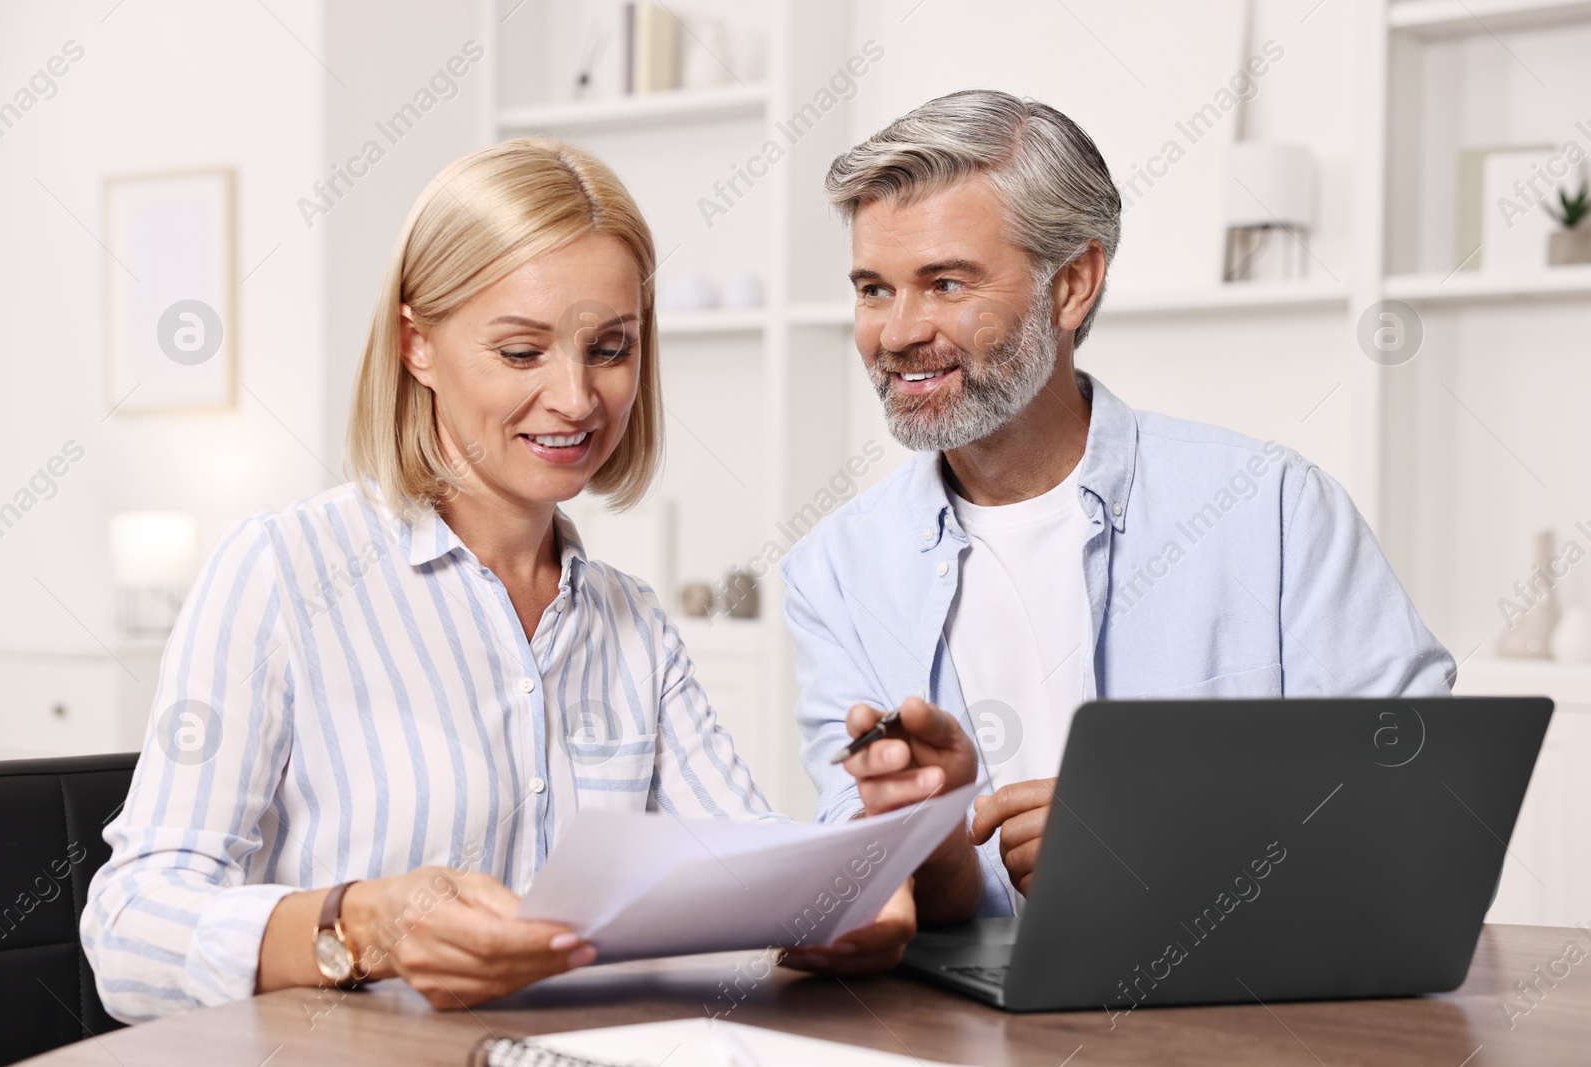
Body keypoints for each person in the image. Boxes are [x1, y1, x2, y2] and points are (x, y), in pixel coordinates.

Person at [81, 138, 914, 1022]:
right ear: (417, 346)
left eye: (609, 348)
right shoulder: (282, 574)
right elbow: (129, 932)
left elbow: (749, 875)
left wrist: (840, 904)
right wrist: (361, 925)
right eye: (522, 352)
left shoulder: (630, 621)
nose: (576, 397)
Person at [786, 90, 1455, 921]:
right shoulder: (836, 573)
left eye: (945, 282)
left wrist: (1160, 838)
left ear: (1071, 286)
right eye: (874, 289)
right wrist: (937, 842)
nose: (895, 333)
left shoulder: (1275, 514)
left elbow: (1425, 808)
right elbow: (900, 910)